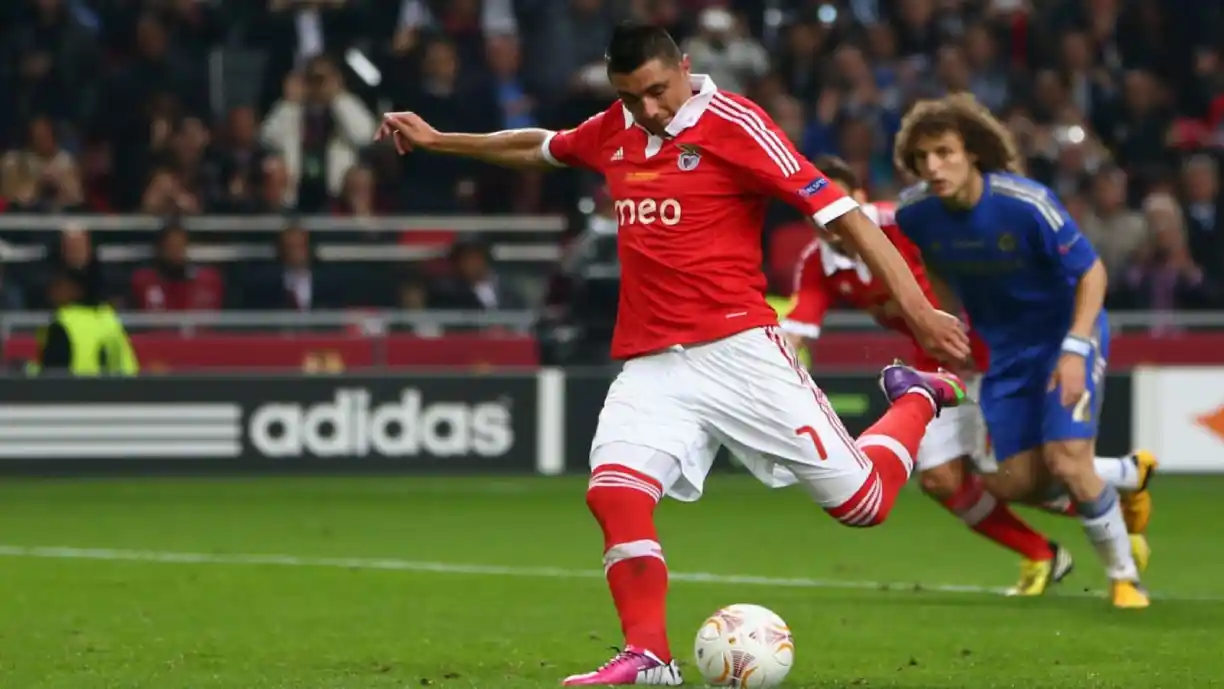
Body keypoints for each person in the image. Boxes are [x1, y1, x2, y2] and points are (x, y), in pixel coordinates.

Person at [378, 23, 971, 685]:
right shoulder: (617, 127)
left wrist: (919, 311)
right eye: (631, 97)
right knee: (614, 492)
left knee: (863, 504)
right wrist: (440, 140)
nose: (649, 108)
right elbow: (540, 146)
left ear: (684, 67)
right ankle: (649, 656)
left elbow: (843, 215)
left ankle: (917, 396)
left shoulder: (737, 124)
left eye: (657, 91)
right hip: (655, 360)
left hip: (740, 351)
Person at [891, 94, 1156, 609]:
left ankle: (1124, 578)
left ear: (973, 153)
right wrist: (949, 324)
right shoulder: (916, 214)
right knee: (1009, 483)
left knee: (1067, 459)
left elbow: (1091, 272)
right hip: (1006, 353)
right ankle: (1128, 475)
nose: (933, 167)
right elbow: (937, 265)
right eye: (922, 158)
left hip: (1067, 337)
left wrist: (1075, 350)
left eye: (944, 153)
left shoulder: (1026, 203)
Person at [782, 155, 1076, 596]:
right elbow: (796, 329)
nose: (826, 216)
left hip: (996, 352)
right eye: (814, 209)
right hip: (938, 363)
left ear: (859, 197)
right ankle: (1041, 553)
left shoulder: (903, 225)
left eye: (835, 200)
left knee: (1013, 476)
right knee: (941, 479)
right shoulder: (817, 263)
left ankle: (1113, 487)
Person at [32, 268, 138, 375]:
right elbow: (128, 369)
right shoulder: (110, 318)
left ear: (75, 290)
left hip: (74, 386)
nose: (52, 290)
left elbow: (50, 376)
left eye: (59, 285)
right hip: (111, 386)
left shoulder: (63, 323)